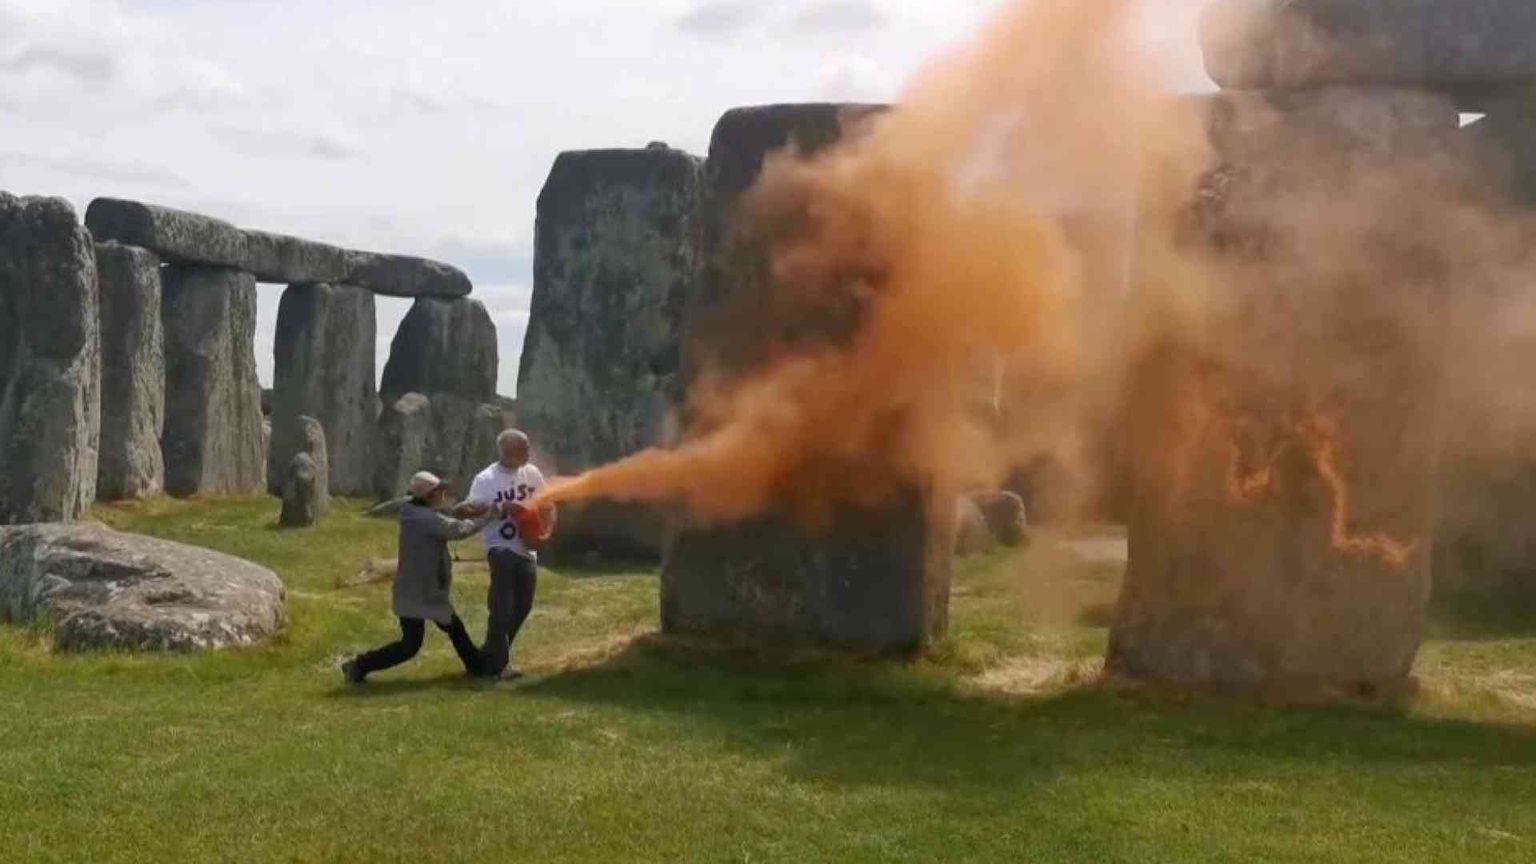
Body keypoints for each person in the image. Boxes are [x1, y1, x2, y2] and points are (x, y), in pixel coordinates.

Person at [342, 471, 489, 684]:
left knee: (451, 629)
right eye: (439, 491)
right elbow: (458, 530)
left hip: (421, 588)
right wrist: (490, 516)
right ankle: (359, 665)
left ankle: (477, 666)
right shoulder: (424, 518)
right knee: (411, 645)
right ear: (429, 495)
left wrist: (464, 510)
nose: (443, 494)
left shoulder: (414, 511)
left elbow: (444, 516)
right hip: (419, 590)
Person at [457, 429, 556, 680]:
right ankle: (498, 666)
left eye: (527, 448)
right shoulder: (486, 479)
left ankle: (491, 656)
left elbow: (548, 505)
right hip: (500, 547)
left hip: (527, 550)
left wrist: (546, 533)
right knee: (501, 606)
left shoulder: (531, 473)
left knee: (523, 605)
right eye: (522, 449)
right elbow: (466, 510)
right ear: (507, 451)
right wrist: (499, 508)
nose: (527, 453)